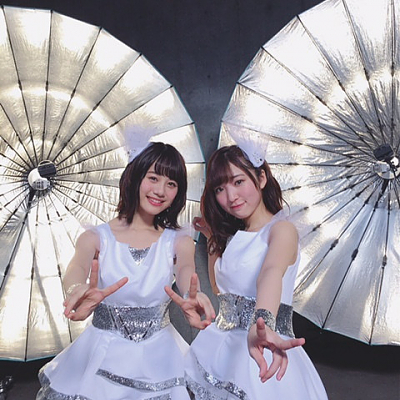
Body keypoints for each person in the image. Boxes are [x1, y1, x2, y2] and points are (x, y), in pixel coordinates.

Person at [37, 141, 215, 400]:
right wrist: (77, 289)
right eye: (153, 178)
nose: (160, 191)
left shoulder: (178, 241)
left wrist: (191, 294)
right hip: (103, 349)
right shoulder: (96, 237)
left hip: (158, 354)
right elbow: (77, 267)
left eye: (171, 184)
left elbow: (186, 269)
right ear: (134, 176)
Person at [168, 144, 328, 399]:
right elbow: (221, 292)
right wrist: (212, 239)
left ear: (261, 178)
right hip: (223, 344)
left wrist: (260, 321)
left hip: (263, 345)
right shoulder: (233, 238)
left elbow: (270, 273)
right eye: (220, 189)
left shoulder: (281, 229)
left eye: (238, 182)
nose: (231, 196)